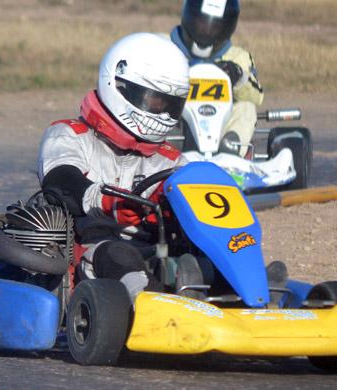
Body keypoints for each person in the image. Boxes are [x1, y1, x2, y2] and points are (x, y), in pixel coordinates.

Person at [36, 33, 191, 299]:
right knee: (118, 254)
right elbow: (60, 181)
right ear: (118, 85)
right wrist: (110, 202)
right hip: (88, 253)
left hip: (154, 254)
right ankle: (152, 309)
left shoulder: (171, 160)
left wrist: (169, 211)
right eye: (156, 101)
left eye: (171, 105)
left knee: (200, 258)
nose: (164, 113)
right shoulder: (70, 135)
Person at [170, 0, 264, 157]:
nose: (206, 30)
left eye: (215, 26)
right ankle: (165, 148)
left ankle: (232, 150)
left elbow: (257, 97)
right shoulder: (165, 46)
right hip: (175, 121)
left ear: (227, 27)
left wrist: (239, 77)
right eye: (201, 22)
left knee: (247, 106)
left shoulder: (237, 57)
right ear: (189, 17)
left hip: (219, 125)